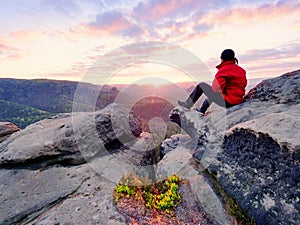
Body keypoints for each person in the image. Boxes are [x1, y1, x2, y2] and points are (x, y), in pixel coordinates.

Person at [178, 49, 247, 115]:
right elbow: (244, 84)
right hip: (238, 101)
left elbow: (216, 89)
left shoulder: (224, 70)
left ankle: (187, 105)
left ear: (222, 59)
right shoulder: (241, 70)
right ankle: (202, 110)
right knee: (212, 93)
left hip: (228, 102)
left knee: (201, 86)